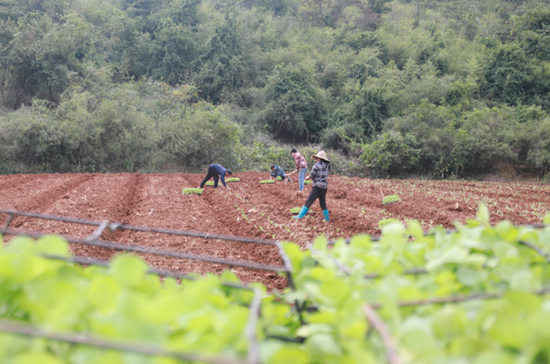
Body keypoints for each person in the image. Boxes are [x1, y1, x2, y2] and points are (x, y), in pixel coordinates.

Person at [294, 151, 330, 222]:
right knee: (323, 203)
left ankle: (300, 216)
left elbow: (312, 175)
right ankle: (327, 219)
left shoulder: (316, 165)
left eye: (316, 158)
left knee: (308, 201)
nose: (315, 160)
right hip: (324, 187)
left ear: (319, 159)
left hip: (317, 187)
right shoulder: (327, 165)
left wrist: (308, 177)